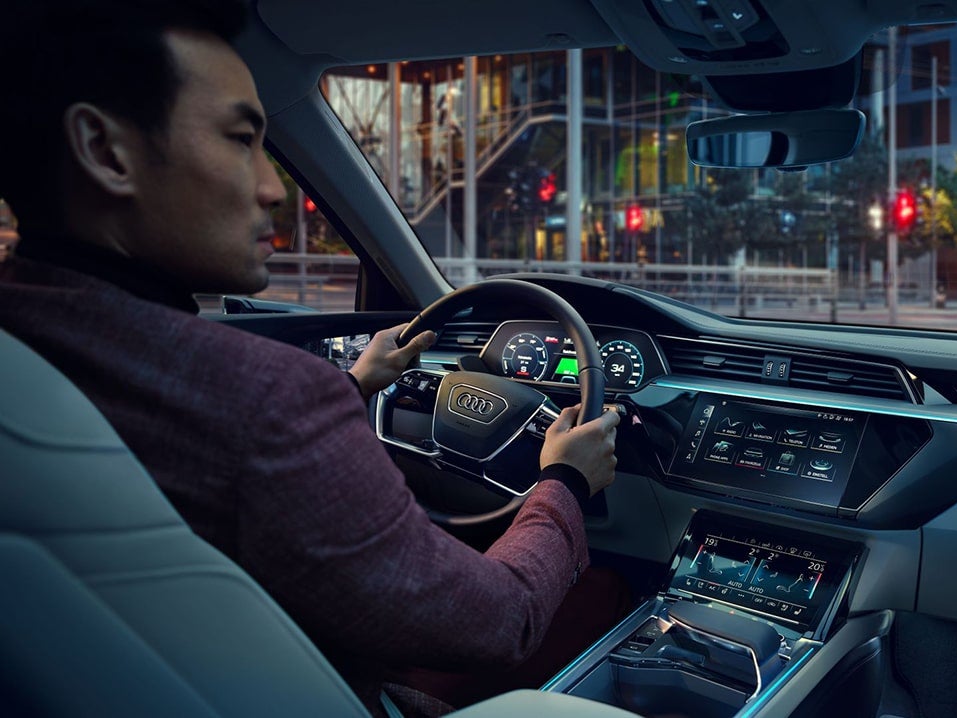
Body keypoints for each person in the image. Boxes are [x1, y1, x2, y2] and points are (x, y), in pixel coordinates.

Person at [0, 2, 622, 716]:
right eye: (241, 139)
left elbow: (207, 449)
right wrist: (566, 482)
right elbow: (500, 620)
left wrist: (354, 386)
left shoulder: (23, 333)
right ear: (106, 152)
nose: (273, 186)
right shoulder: (270, 400)